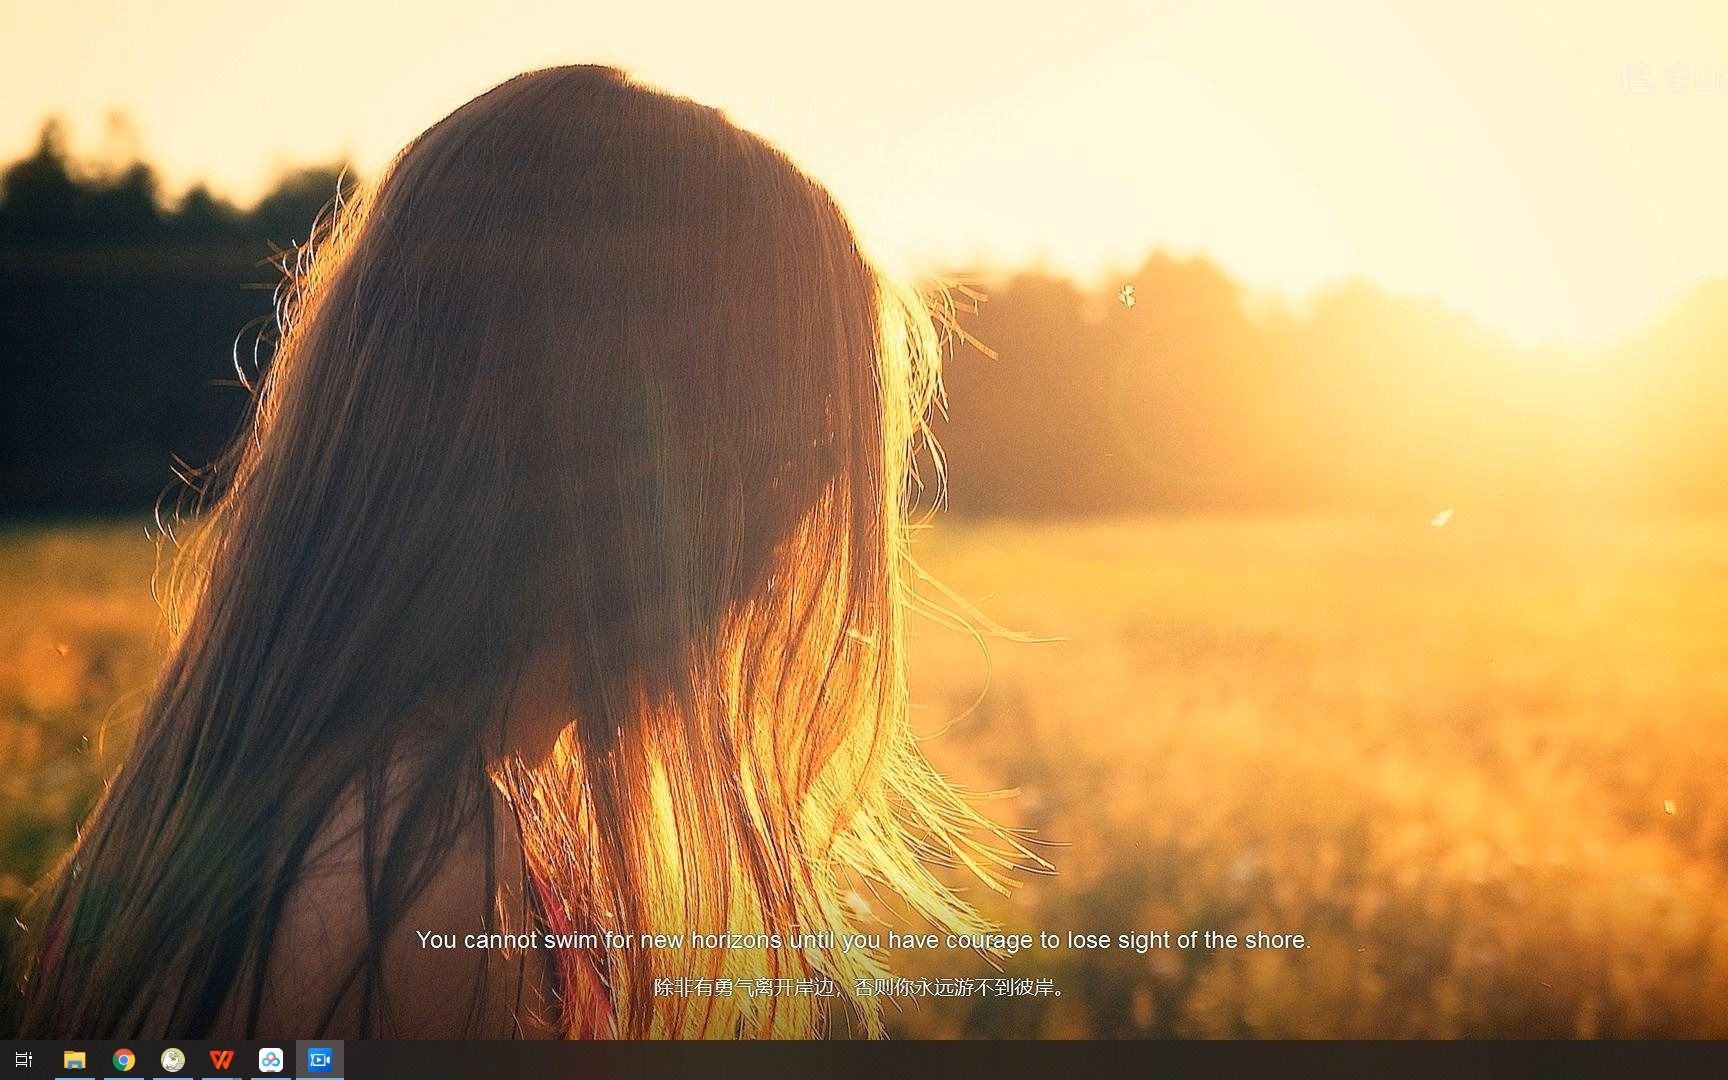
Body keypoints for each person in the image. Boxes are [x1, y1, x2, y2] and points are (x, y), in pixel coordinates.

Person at [15, 64, 1026, 1039]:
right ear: (643, 469)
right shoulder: (416, 883)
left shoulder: (270, 799)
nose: (785, 553)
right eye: (796, 458)